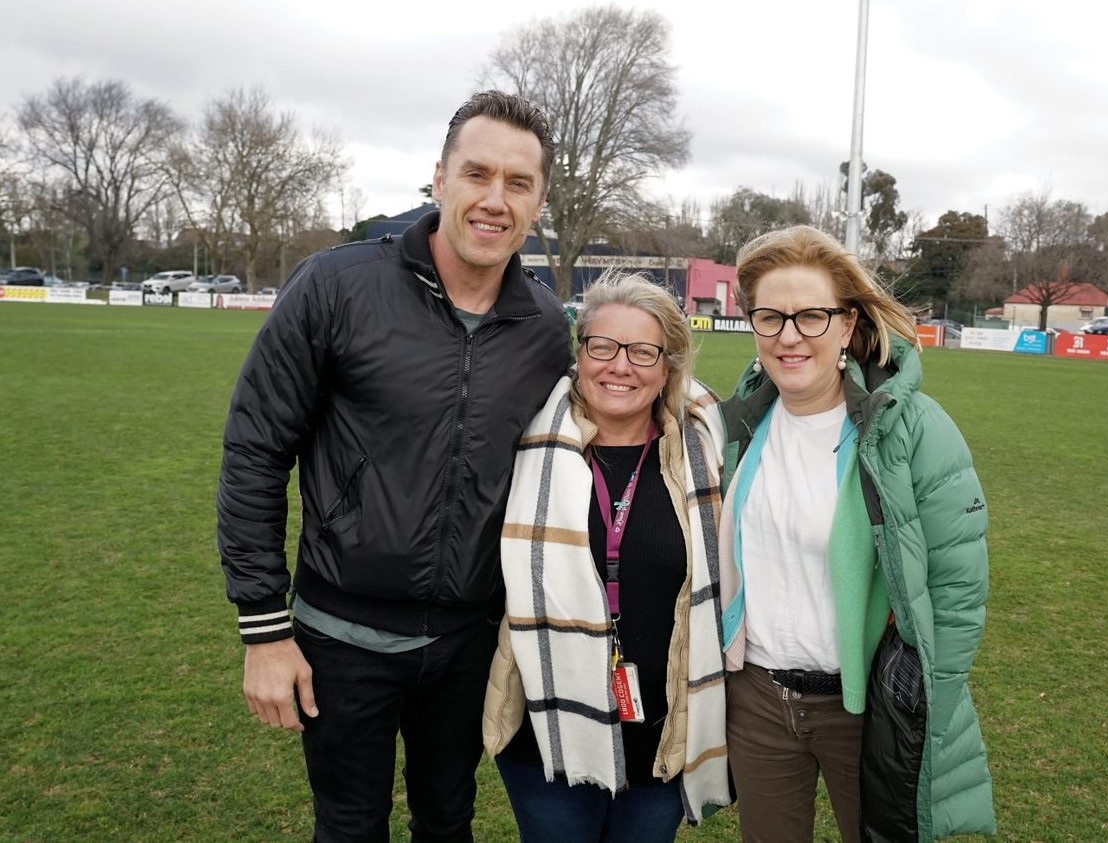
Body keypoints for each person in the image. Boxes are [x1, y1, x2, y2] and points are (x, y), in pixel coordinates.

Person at [216, 90, 573, 842]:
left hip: (469, 641)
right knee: (350, 825)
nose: (494, 200)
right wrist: (263, 630)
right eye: (477, 174)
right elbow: (255, 450)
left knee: (447, 820)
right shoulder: (335, 286)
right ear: (438, 178)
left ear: (539, 200)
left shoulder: (545, 329)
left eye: (518, 183)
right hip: (339, 636)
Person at [717, 225, 994, 842]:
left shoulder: (914, 427)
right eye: (770, 317)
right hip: (758, 701)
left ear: (847, 326)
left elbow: (957, 591)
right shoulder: (734, 426)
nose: (789, 336)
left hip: (866, 707)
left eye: (811, 316)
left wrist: (921, 705)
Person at [482, 272, 731, 842]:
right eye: (603, 346)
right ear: (581, 351)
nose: (620, 366)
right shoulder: (520, 443)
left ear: (667, 366)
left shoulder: (708, 452)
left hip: (663, 732)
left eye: (643, 352)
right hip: (548, 730)